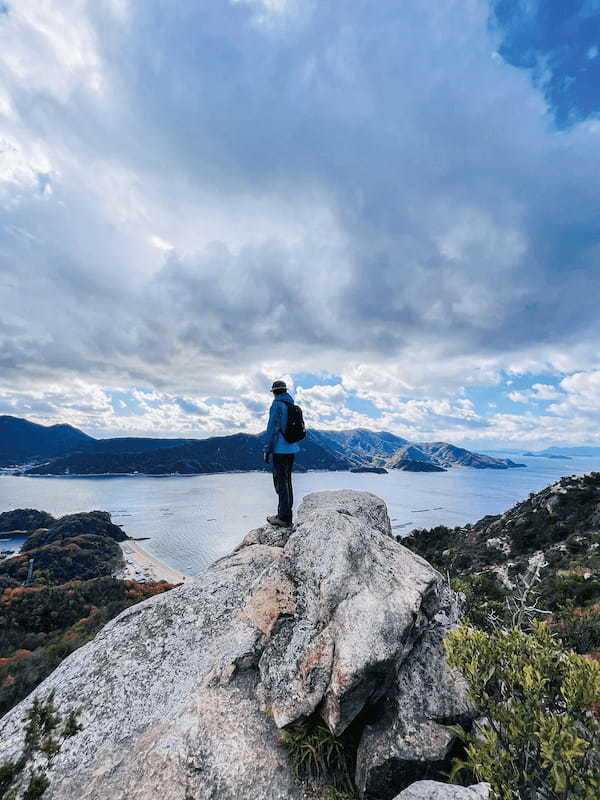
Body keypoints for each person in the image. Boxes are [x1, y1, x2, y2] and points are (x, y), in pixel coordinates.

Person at [263, 379, 300, 527]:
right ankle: (287, 515)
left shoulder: (277, 405)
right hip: (292, 449)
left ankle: (283, 517)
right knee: (287, 482)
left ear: (274, 393)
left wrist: (266, 450)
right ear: (285, 391)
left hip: (279, 450)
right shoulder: (292, 405)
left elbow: (272, 429)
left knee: (280, 482)